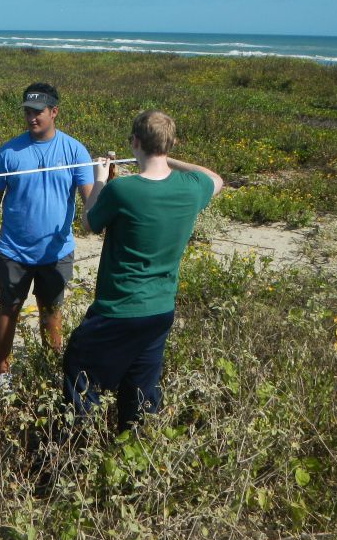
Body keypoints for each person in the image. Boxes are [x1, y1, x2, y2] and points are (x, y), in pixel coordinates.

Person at [63, 110, 223, 431]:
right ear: (171, 143)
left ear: (135, 141)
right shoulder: (191, 188)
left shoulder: (122, 190)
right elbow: (216, 179)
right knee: (140, 394)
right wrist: (170, 160)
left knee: (80, 374)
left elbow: (89, 222)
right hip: (160, 310)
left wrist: (99, 178)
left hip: (118, 309)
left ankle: (76, 452)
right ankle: (135, 452)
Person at [0, 82, 94, 383]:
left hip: (55, 252)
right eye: (28, 112)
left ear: (54, 112)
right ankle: (2, 372)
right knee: (8, 308)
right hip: (12, 251)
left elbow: (91, 202)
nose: (32, 118)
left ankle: (50, 370)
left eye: (38, 112)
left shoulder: (75, 150)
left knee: (51, 311)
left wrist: (105, 182)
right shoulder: (9, 152)